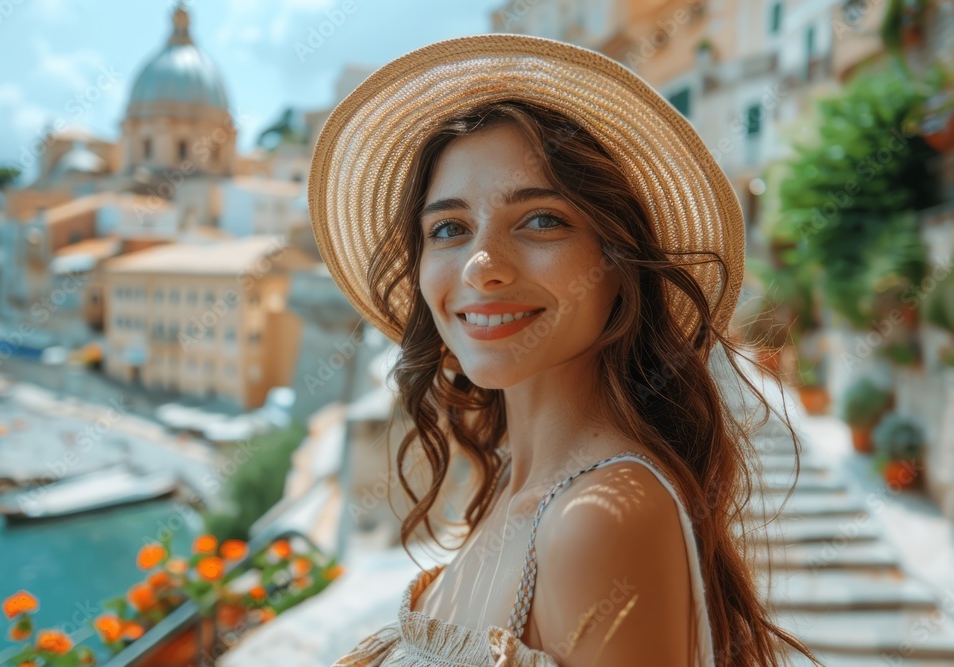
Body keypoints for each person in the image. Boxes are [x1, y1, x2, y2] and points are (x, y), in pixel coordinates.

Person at [308, 34, 823, 667]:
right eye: (448, 228)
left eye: (541, 220)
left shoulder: (599, 520)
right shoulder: (516, 488)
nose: (481, 267)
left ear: (618, 258)